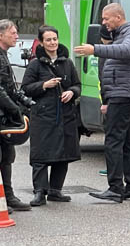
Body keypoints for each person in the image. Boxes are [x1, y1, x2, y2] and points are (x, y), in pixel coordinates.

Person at [73, 4, 130, 203]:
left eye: (106, 18)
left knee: (113, 141)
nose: (104, 22)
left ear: (118, 17)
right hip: (122, 95)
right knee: (127, 143)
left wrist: (95, 49)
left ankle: (115, 188)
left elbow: (127, 50)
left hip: (123, 95)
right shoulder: (121, 35)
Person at [21, 26, 81, 205]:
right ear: (41, 42)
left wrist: (72, 92)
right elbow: (25, 88)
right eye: (48, 40)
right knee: (40, 155)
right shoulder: (35, 64)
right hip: (43, 116)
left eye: (54, 39)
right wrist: (44, 85)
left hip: (65, 115)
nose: (52, 42)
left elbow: (77, 85)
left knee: (63, 154)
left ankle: (56, 191)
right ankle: (39, 192)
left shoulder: (67, 63)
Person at [0, 19, 36, 211]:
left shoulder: (4, 55)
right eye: (13, 33)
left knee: (7, 156)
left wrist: (26, 102)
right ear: (1, 35)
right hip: (2, 114)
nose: (17, 36)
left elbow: (10, 87)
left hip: (4, 115)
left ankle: (8, 196)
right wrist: (14, 109)